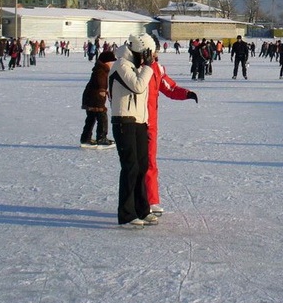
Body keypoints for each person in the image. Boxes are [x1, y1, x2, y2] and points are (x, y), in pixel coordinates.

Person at [108, 33, 157, 228]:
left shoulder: (135, 66)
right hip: (123, 121)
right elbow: (137, 87)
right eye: (148, 54)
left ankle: (142, 209)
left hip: (138, 122)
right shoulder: (121, 65)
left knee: (142, 166)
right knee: (130, 167)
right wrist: (148, 67)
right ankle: (127, 214)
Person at [146, 39, 198, 216]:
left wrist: (186, 93)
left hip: (150, 123)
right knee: (134, 165)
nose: (156, 55)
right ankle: (135, 202)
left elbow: (170, 87)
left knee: (150, 162)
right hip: (131, 121)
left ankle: (151, 200)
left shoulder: (157, 69)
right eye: (154, 52)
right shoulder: (131, 69)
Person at [80, 50, 117, 147]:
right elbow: (101, 84)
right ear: (106, 62)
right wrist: (104, 92)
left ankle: (85, 138)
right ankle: (101, 138)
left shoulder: (100, 69)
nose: (112, 64)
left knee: (91, 117)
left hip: (90, 96)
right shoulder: (101, 71)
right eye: (111, 62)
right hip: (95, 97)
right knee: (102, 116)